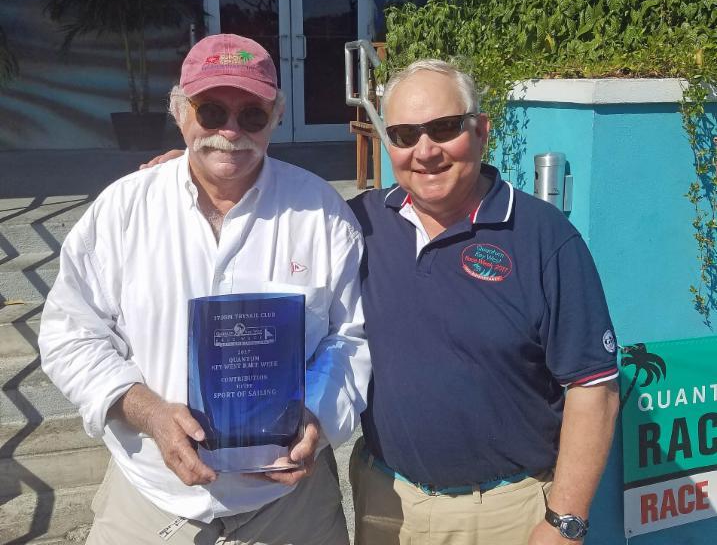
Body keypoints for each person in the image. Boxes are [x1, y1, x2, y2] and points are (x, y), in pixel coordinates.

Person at [39, 34, 370, 545]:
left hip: (288, 507)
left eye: (251, 115)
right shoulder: (122, 210)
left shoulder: (322, 214)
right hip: (150, 503)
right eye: (211, 111)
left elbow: (351, 339)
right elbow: (70, 334)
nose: (230, 132)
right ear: (180, 112)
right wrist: (148, 411)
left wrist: (320, 417)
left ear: (277, 115)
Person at [347, 59, 619, 545]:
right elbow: (274, 213)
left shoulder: (543, 236)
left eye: (445, 128)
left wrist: (565, 521)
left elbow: (593, 388)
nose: (425, 151)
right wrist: (182, 169)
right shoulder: (357, 224)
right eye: (405, 134)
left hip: (505, 514)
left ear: (481, 130)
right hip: (385, 501)